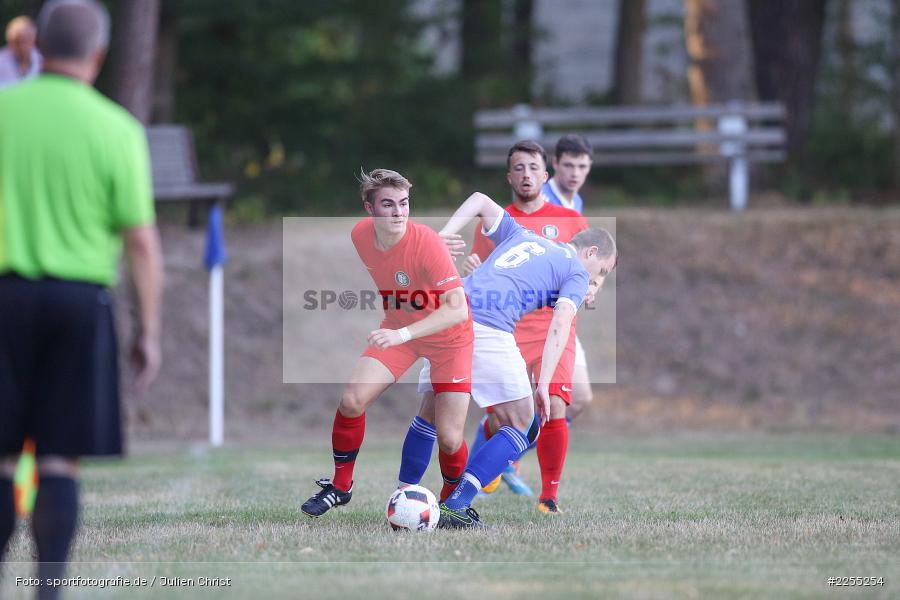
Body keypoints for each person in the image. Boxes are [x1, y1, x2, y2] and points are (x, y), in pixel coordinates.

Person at [0, 0, 163, 596]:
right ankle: (49, 588)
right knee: (58, 459)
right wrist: (149, 330)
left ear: (36, 46)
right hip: (78, 305)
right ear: (98, 55)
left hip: (4, 298)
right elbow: (141, 243)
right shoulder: (116, 127)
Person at [407, 177, 616, 528]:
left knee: (429, 413)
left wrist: (441, 236)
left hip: (449, 316)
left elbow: (477, 198)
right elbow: (560, 326)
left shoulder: (526, 236)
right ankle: (457, 503)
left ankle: (404, 492)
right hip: (487, 329)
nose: (598, 279)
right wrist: (544, 383)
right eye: (603, 271)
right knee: (524, 425)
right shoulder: (576, 272)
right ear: (591, 253)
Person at [300, 169, 474, 518]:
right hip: (399, 330)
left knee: (450, 439)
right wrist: (401, 330)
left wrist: (403, 333)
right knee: (351, 401)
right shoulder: (360, 235)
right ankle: (341, 487)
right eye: (388, 205)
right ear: (369, 209)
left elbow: (457, 309)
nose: (398, 213)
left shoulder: (424, 242)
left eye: (404, 204)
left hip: (449, 340)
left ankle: (455, 506)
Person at [461, 140, 590, 513]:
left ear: (545, 175)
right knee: (515, 415)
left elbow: (588, 271)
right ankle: (495, 445)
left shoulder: (570, 220)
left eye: (533, 168)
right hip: (510, 326)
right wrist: (473, 270)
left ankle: (549, 497)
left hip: (555, 327)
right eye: (518, 168)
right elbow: (485, 271)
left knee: (556, 403)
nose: (526, 175)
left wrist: (588, 291)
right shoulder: (500, 222)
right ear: (509, 177)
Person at [543, 134, 596, 421]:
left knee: (579, 399)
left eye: (582, 167)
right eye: (569, 165)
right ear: (555, 164)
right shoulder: (539, 201)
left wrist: (589, 285)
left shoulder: (576, 203)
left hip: (561, 315)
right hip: (534, 315)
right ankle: (501, 461)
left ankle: (509, 455)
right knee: (519, 409)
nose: (576, 173)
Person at [0, 16, 42, 88]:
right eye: (18, 42)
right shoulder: (1, 61)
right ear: (10, 42)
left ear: (33, 39)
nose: (23, 47)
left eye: (26, 40)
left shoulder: (42, 61)